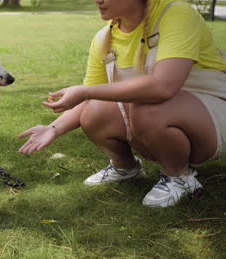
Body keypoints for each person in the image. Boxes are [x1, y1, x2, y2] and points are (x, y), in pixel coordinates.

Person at [18, 0, 226, 207]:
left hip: (213, 114)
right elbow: (89, 99)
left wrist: (85, 91)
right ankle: (125, 167)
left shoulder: (176, 14)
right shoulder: (103, 39)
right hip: (160, 115)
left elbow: (163, 87)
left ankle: (180, 177)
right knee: (95, 110)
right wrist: (53, 129)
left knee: (146, 107)